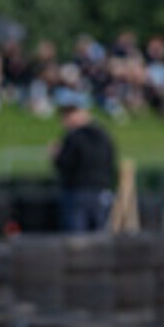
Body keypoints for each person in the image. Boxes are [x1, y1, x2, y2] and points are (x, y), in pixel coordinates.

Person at [51, 96, 117, 234]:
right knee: (100, 234)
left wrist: (56, 156)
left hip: (79, 192)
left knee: (77, 237)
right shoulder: (104, 134)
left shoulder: (74, 137)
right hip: (101, 191)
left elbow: (66, 164)